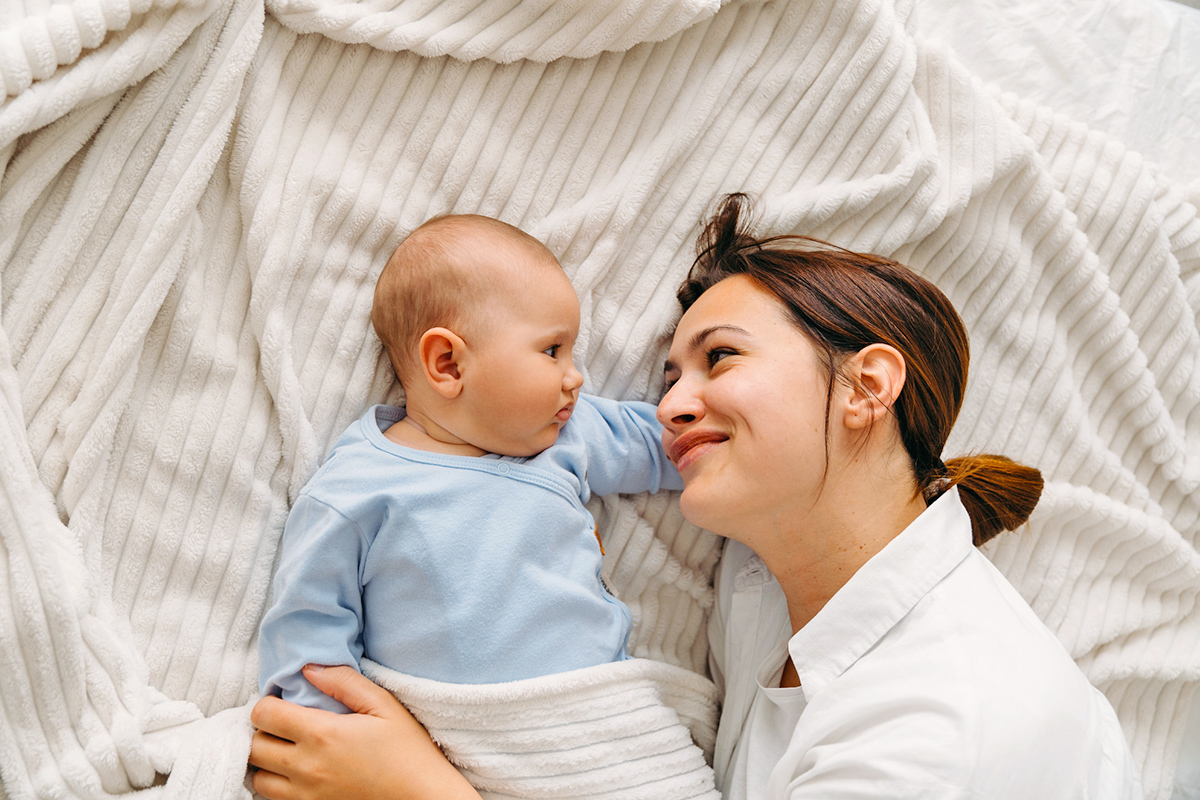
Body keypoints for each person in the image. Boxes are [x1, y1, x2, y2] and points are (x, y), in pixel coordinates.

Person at [248, 195, 1142, 799]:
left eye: (721, 358)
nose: (669, 405)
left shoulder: (943, 732)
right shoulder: (761, 578)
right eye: (672, 374)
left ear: (867, 388)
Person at [257, 214, 681, 713]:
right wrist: (327, 725)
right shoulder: (355, 488)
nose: (576, 378)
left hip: (596, 711)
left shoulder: (568, 433)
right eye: (552, 350)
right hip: (450, 729)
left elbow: (673, 444)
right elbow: (307, 628)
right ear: (448, 364)